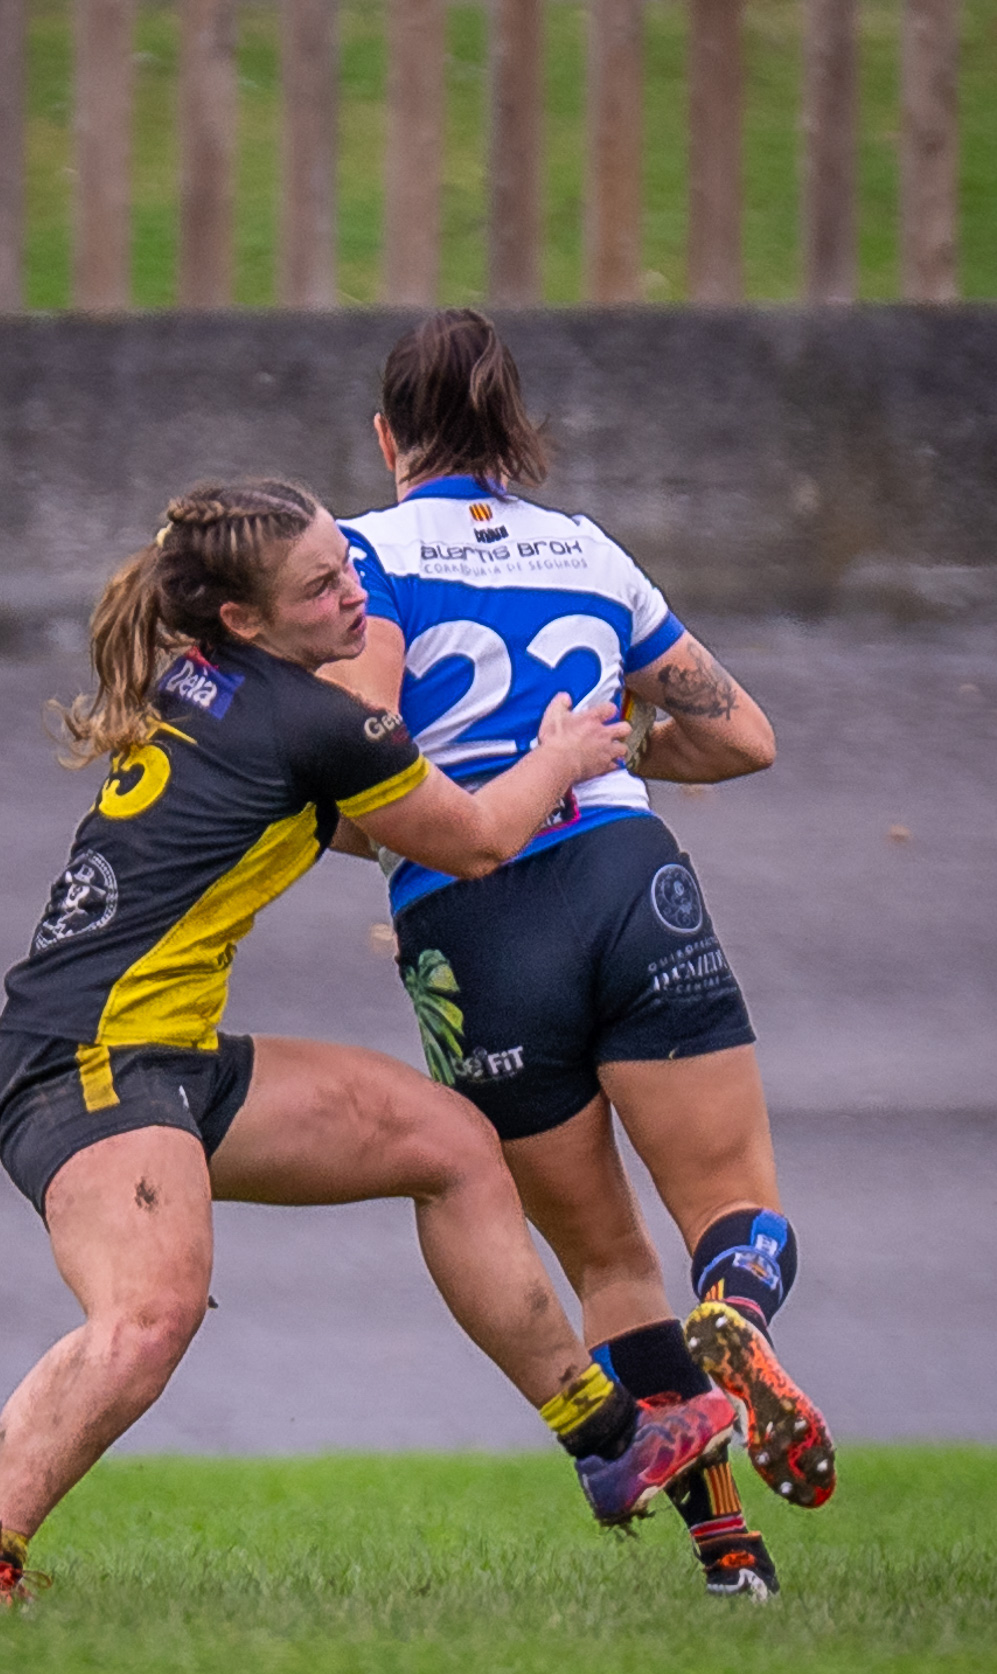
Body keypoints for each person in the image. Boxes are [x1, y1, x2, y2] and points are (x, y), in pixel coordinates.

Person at [0, 478, 736, 1607]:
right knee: (152, 1315)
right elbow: (482, 842)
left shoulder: (230, 682)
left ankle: (609, 1440)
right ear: (246, 621)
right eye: (323, 587)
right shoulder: (319, 721)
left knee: (447, 1143)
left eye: (347, 568)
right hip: (89, 1065)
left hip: (163, 1055)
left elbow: (364, 815)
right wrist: (565, 750)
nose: (357, 596)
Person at [332, 311, 836, 1602]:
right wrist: (618, 752)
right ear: (514, 436)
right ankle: (741, 1309)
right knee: (732, 1201)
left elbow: (366, 745)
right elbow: (745, 739)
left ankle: (732, 1561)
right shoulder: (591, 553)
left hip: (471, 918)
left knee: (608, 1264)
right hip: (626, 877)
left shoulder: (362, 558)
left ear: (389, 437)